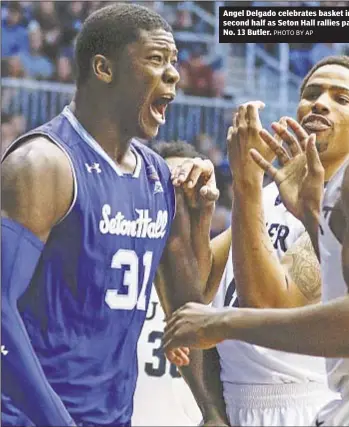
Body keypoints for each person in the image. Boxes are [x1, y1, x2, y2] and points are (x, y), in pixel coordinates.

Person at [1, 4, 226, 427]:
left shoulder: (157, 175)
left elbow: (188, 308)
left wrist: (210, 411)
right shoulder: (44, 165)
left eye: (174, 62)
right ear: (103, 68)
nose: (174, 74)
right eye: (157, 60)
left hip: (115, 417)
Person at [163, 56, 349, 427]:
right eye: (312, 93)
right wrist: (198, 213)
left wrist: (244, 184)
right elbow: (199, 286)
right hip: (235, 398)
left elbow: (268, 304)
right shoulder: (277, 193)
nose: (320, 103)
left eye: (341, 98)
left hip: (298, 403)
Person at [133, 141, 226, 426]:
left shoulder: (219, 267)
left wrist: (202, 216)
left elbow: (198, 288)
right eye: (169, 185)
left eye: (187, 185)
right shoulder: (124, 263)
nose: (177, 197)